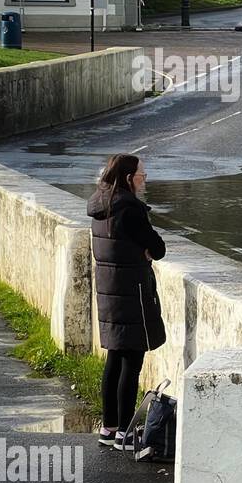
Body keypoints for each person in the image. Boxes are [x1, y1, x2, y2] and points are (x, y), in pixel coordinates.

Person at [87, 154, 166, 449]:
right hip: (131, 292)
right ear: (128, 178)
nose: (145, 181)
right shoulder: (129, 208)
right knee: (132, 362)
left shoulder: (100, 204)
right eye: (142, 176)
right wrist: (144, 252)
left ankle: (108, 429)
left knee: (114, 358)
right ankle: (124, 431)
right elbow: (158, 247)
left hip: (109, 291)